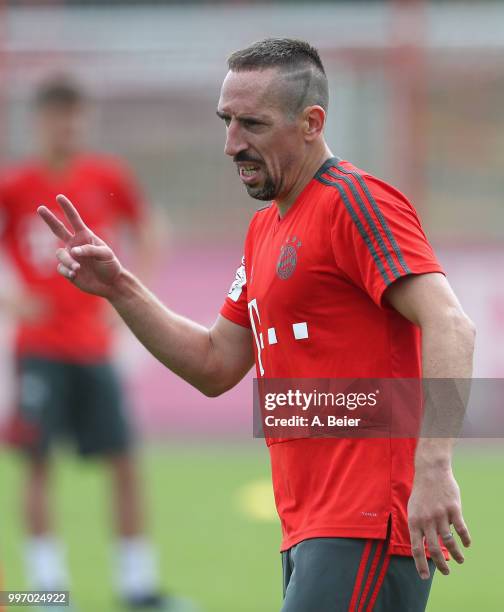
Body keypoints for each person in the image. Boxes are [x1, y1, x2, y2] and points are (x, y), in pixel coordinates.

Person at [37, 39, 475, 612]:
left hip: (367, 520)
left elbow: (451, 325)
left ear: (311, 123)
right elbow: (215, 363)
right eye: (226, 121)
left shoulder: (356, 203)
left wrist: (434, 467)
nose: (231, 144)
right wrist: (120, 287)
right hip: (309, 527)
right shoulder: (265, 229)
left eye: (252, 124)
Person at [0, 77, 173, 610]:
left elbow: (148, 231)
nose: (67, 127)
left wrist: (127, 296)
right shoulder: (16, 184)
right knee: (37, 463)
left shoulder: (105, 175)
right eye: (57, 117)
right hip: (39, 345)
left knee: (123, 461)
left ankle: (137, 586)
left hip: (93, 345)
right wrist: (13, 301)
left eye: (75, 117)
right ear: (40, 122)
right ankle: (50, 591)